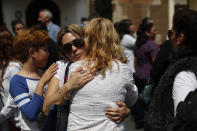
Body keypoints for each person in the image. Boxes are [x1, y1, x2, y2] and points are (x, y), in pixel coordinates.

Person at [43, 19, 138, 131]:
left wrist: (125, 111)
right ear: (63, 52)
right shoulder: (62, 67)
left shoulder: (114, 67)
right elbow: (46, 109)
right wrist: (68, 87)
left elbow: (125, 98)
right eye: (67, 48)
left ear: (88, 41)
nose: (74, 49)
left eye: (78, 43)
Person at [144, 9, 197, 131]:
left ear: (180, 38)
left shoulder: (184, 74)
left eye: (171, 33)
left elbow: (185, 122)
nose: (170, 38)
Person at [6, 28, 58, 131]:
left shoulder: (45, 73)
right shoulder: (17, 81)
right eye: (45, 50)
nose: (48, 54)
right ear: (33, 52)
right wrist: (41, 83)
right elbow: (31, 113)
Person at [133, 19, 158, 129]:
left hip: (138, 75)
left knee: (139, 100)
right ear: (148, 32)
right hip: (148, 77)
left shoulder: (138, 43)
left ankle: (139, 122)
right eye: (154, 30)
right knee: (149, 101)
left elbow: (135, 60)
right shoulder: (151, 44)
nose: (156, 32)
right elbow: (155, 61)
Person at [0, 28, 22, 131]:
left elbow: (14, 98)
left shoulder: (13, 68)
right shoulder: (3, 66)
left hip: (16, 123)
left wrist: (2, 116)